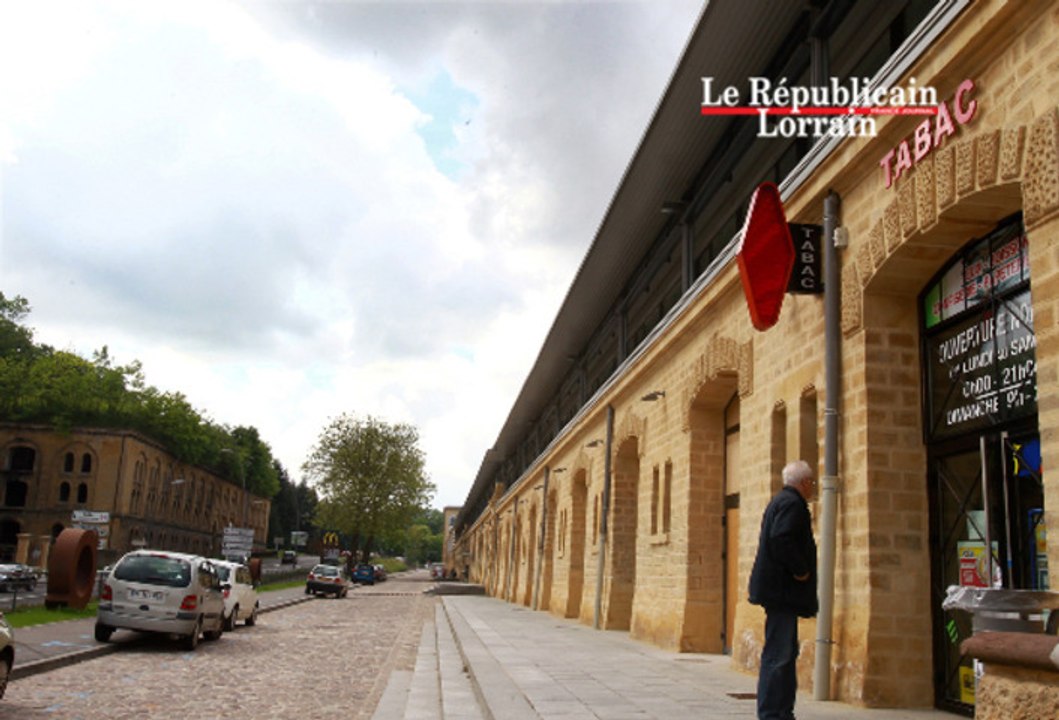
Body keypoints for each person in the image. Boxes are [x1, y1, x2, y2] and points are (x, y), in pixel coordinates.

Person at [747, 459, 819, 720]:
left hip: (779, 592)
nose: (812, 487)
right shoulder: (792, 503)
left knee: (783, 652)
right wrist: (800, 570)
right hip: (782, 592)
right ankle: (772, 714)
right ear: (803, 482)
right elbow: (782, 538)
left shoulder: (782, 501)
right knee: (779, 655)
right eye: (811, 482)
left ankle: (780, 711)